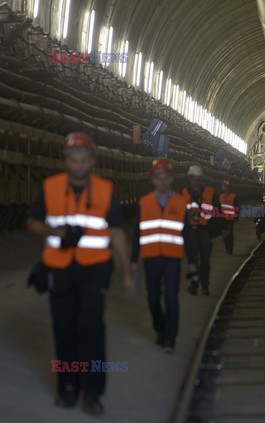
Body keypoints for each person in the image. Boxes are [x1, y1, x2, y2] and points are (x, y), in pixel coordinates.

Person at [26, 133, 136, 415]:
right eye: (73, 159)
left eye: (83, 159)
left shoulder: (105, 190)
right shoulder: (50, 188)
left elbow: (116, 231)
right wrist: (55, 231)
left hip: (94, 269)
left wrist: (127, 271)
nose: (78, 164)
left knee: (91, 329)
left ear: (92, 161)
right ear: (66, 160)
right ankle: (68, 387)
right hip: (59, 268)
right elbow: (33, 223)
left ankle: (92, 392)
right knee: (63, 330)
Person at [130, 158, 197, 353]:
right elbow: (137, 233)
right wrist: (133, 259)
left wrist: (192, 261)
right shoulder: (144, 203)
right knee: (152, 298)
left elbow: (187, 235)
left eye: (165, 177)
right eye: (158, 178)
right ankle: (160, 328)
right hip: (150, 258)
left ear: (171, 179)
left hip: (172, 259)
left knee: (171, 297)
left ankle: (170, 338)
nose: (162, 181)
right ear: (153, 180)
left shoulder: (180, 203)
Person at [181, 165, 219, 295]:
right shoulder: (184, 193)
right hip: (190, 231)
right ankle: (194, 285)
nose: (195, 181)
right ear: (190, 178)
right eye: (193, 178)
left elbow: (216, 212)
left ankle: (205, 286)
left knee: (205, 261)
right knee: (192, 261)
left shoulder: (210, 193)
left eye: (197, 178)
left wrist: (218, 229)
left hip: (204, 231)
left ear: (201, 179)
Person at [219, 179, 239, 255]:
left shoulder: (234, 196)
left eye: (223, 186)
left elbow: (236, 207)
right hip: (223, 218)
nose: (222, 187)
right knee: (224, 234)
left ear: (227, 187)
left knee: (230, 233)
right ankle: (227, 247)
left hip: (230, 219)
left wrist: (236, 217)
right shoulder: (221, 196)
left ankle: (229, 249)